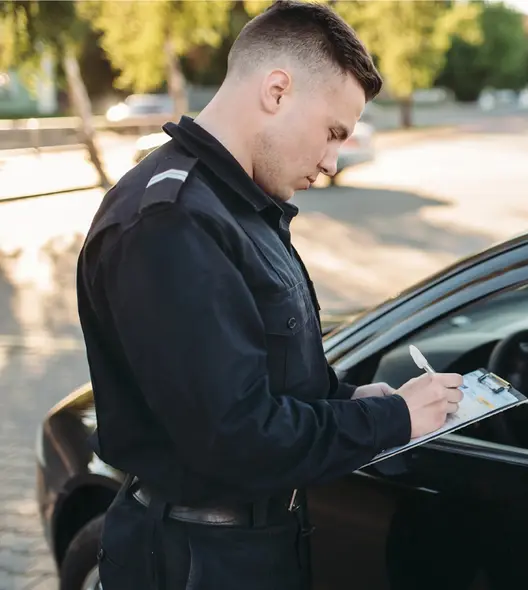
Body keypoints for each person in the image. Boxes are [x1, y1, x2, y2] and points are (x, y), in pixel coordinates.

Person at [75, 2, 464, 588]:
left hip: (248, 547)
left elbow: (265, 378)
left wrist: (355, 399)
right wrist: (391, 421)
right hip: (195, 561)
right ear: (277, 91)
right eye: (333, 133)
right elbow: (237, 437)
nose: (333, 162)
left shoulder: (238, 206)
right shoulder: (171, 224)